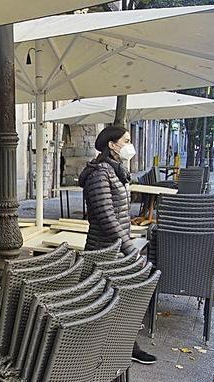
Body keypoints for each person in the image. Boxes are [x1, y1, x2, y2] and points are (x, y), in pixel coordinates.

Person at [79, 126, 157, 365]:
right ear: (112, 145)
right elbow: (105, 215)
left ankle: (123, 346)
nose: (130, 145)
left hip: (116, 248)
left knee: (118, 299)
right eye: (126, 140)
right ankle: (93, 350)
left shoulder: (116, 170)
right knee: (100, 301)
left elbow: (120, 212)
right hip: (103, 250)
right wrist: (129, 247)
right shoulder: (99, 174)